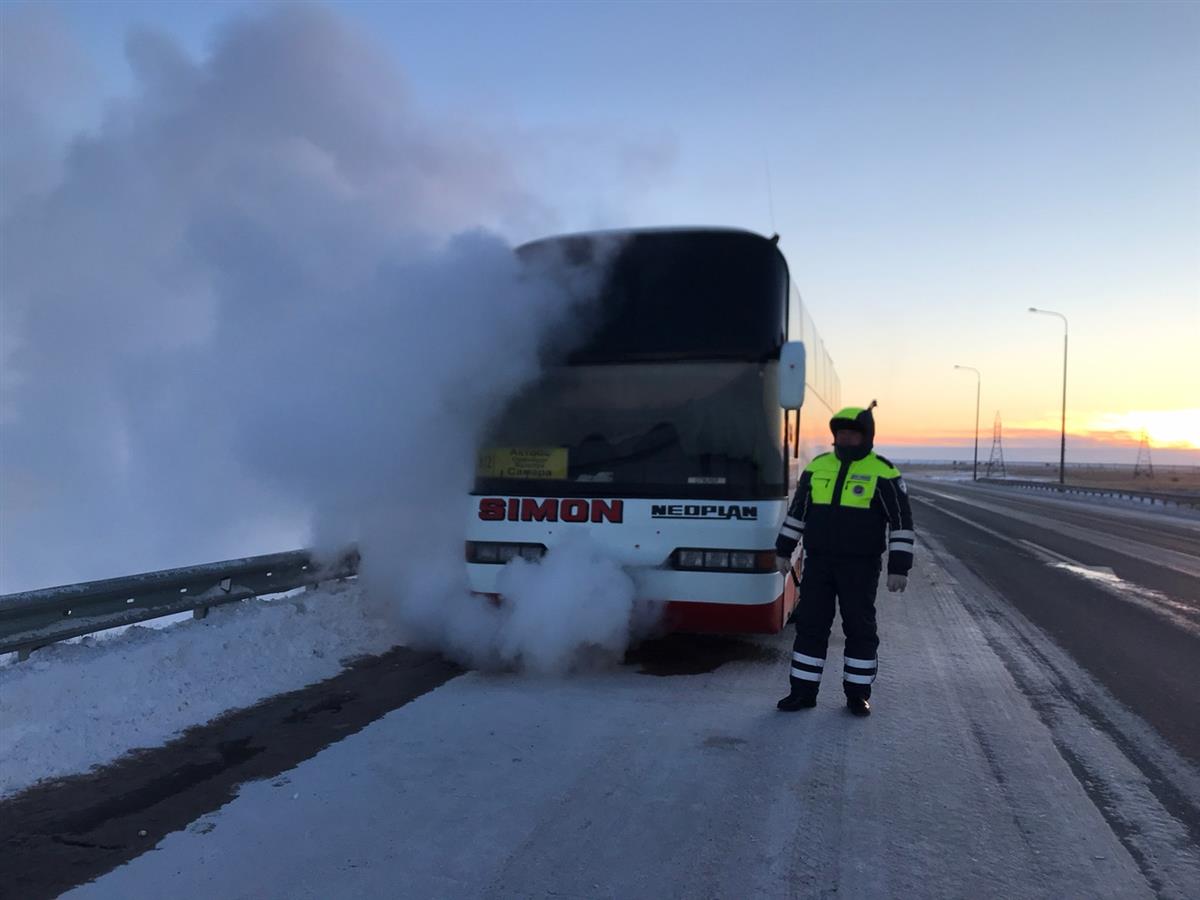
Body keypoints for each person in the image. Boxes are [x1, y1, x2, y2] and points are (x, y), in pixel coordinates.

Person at [774, 401, 914, 716]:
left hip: (860, 567)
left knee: (860, 629)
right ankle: (802, 693)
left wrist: (899, 568)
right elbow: (797, 515)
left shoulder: (884, 472)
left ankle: (857, 695)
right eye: (842, 434)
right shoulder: (817, 467)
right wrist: (783, 550)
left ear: (867, 437)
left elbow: (901, 524)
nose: (847, 439)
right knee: (811, 626)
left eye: (853, 434)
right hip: (819, 563)